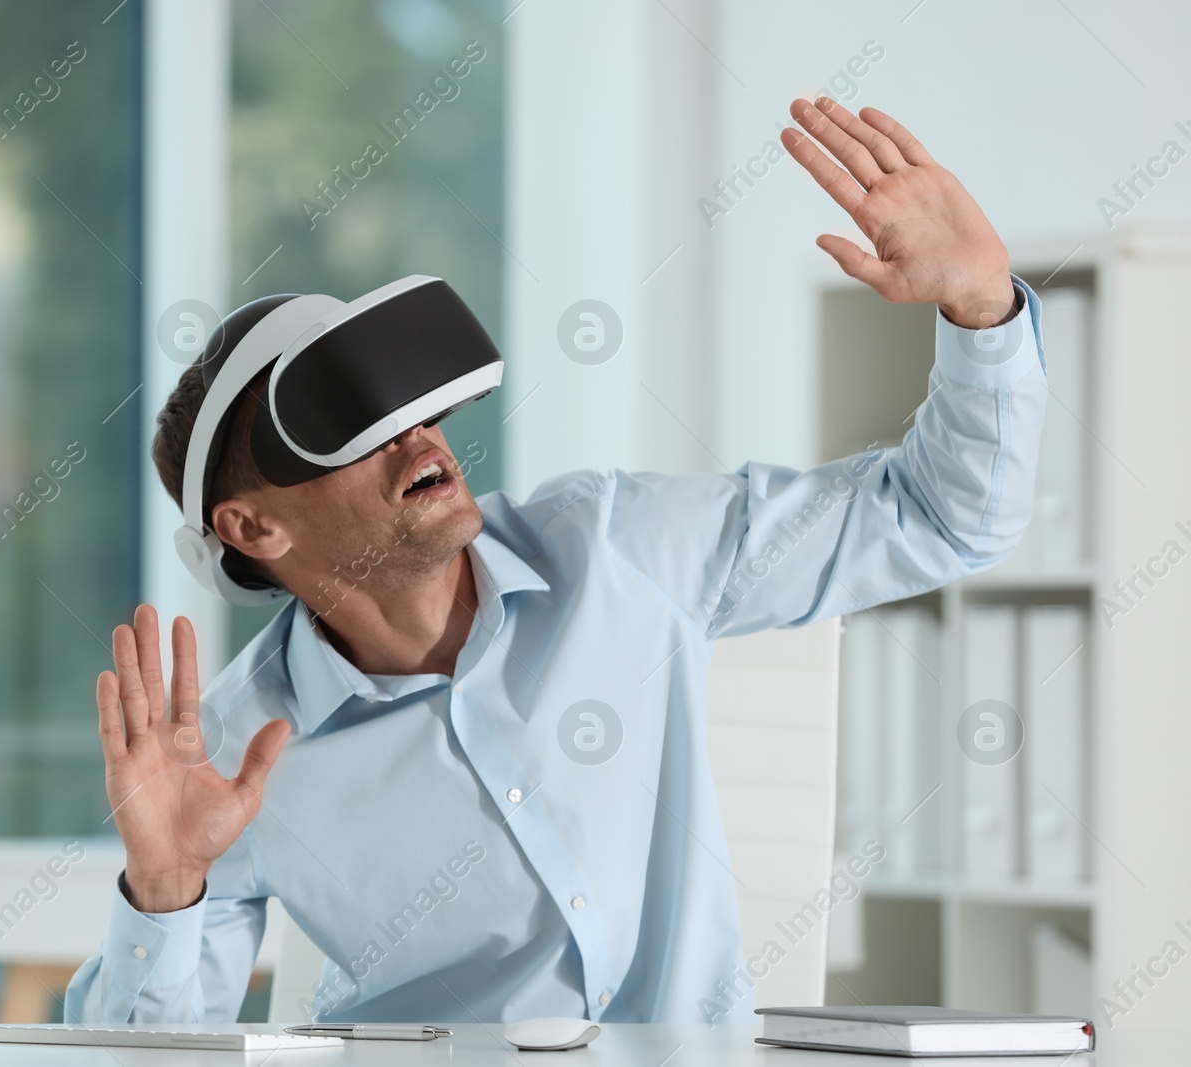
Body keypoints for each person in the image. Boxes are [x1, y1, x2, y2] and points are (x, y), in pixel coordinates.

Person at [64, 96, 1046, 1024]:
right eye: (350, 425)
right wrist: (164, 888)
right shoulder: (239, 751)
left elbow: (940, 515)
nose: (420, 438)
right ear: (253, 529)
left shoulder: (620, 544)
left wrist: (979, 307)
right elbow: (156, 1055)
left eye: (408, 402)